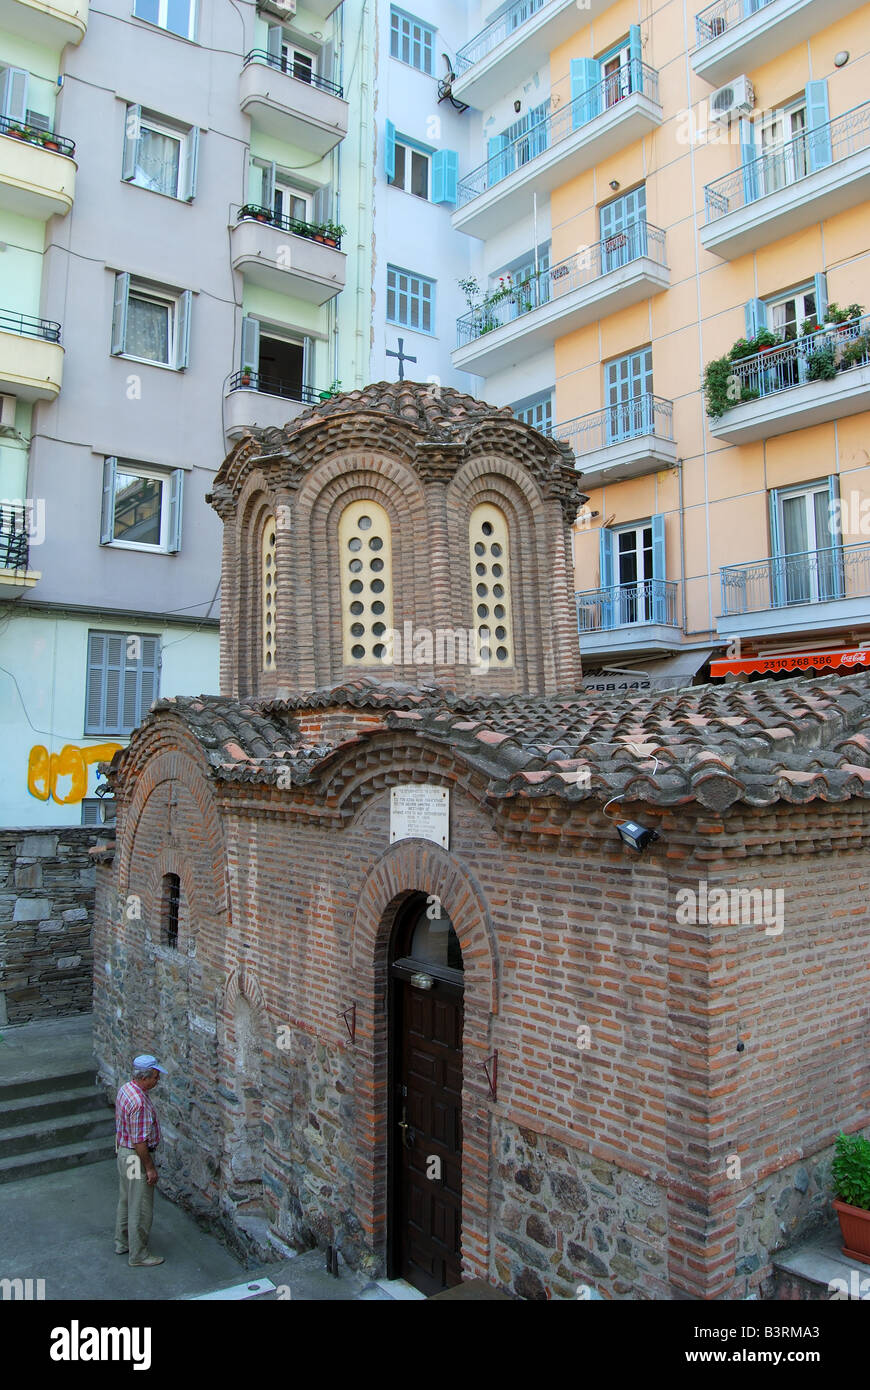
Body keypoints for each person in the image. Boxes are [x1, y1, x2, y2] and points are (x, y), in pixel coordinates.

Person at [114, 1054, 166, 1267]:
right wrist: (150, 1168)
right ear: (145, 1077)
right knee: (140, 1206)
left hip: (124, 1154)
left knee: (126, 1199)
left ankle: (122, 1242)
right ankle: (139, 1254)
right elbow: (140, 1142)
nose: (157, 1080)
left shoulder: (126, 1089)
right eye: (155, 1076)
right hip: (135, 1158)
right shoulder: (139, 1104)